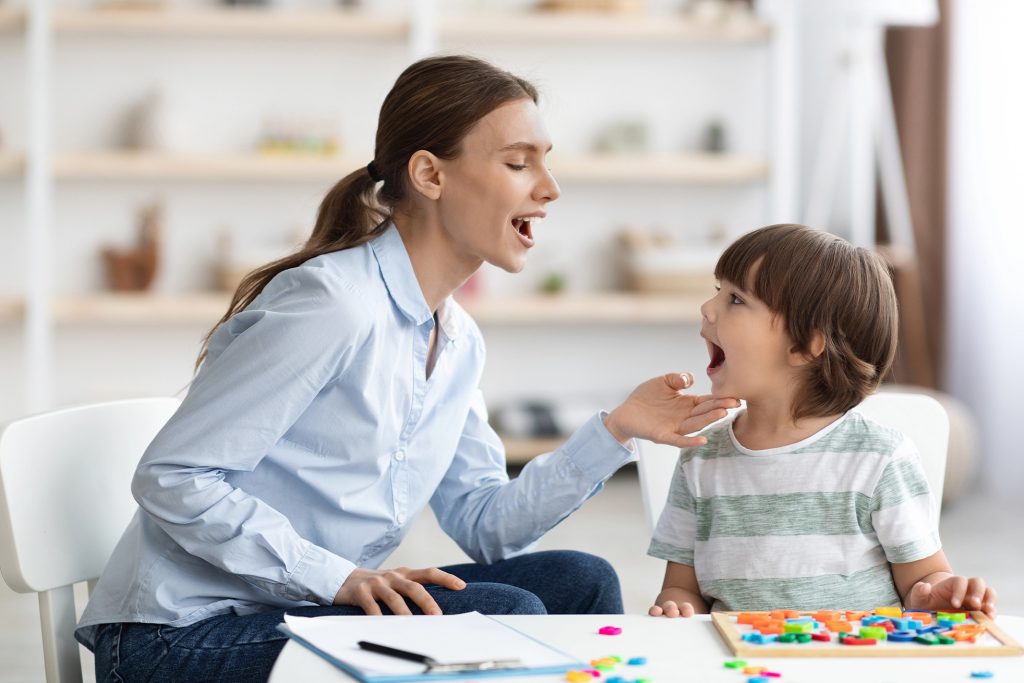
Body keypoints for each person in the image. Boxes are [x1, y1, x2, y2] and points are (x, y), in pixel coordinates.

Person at [75, 55, 738, 681]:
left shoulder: (456, 339)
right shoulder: (332, 304)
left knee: (582, 580)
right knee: (505, 618)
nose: (550, 188)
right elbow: (173, 475)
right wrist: (338, 577)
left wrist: (616, 430)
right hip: (176, 638)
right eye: (518, 162)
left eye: (546, 163)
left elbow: (487, 525)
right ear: (430, 174)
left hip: (291, 612)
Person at [647, 224, 998, 619]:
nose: (707, 309)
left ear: (803, 346)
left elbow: (925, 577)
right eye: (717, 292)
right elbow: (681, 587)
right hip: (740, 666)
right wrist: (677, 607)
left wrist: (938, 594)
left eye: (736, 299)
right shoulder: (700, 458)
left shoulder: (879, 458)